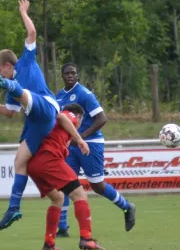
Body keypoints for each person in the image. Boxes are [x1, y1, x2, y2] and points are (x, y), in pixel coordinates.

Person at [0, 0, 59, 231]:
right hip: (35, 122)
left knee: (25, 94)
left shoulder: (26, 61)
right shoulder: (10, 88)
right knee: (19, 161)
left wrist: (23, 11)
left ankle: (12, 88)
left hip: (47, 107)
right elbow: (10, 113)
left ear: (9, 66)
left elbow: (32, 31)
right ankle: (13, 208)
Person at [55, 62, 136, 237]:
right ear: (62, 76)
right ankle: (62, 227)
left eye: (74, 73)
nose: (71, 76)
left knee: (97, 186)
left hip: (91, 144)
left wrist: (81, 137)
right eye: (67, 73)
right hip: (72, 147)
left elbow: (102, 118)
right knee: (65, 182)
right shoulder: (60, 96)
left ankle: (127, 206)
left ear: (78, 76)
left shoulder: (84, 94)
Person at [26, 103, 105, 250]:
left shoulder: (58, 129)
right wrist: (80, 139)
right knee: (80, 195)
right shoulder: (71, 115)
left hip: (34, 164)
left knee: (58, 198)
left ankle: (49, 243)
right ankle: (86, 239)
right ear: (79, 117)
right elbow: (62, 116)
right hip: (49, 159)